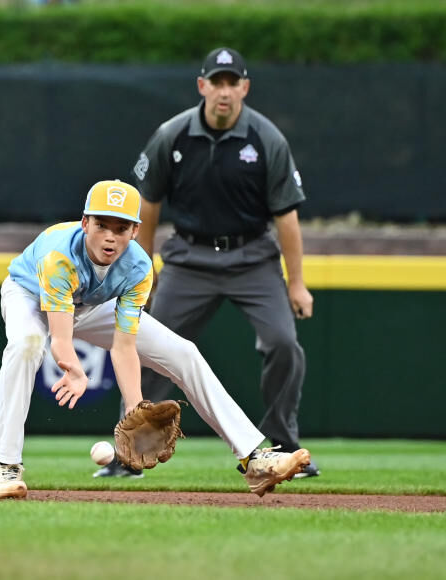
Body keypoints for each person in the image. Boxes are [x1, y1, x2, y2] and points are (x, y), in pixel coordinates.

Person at [0, 179, 311, 499]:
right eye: (102, 225)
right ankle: (6, 465)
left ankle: (252, 458)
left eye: (121, 227)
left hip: (91, 305)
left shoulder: (139, 267)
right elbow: (60, 338)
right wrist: (73, 368)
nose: (110, 237)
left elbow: (124, 345)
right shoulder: (60, 256)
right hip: (29, 297)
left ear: (135, 231)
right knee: (26, 345)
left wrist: (134, 407)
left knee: (184, 352)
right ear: (85, 223)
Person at [94, 47, 318, 479]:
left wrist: (297, 283)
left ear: (244, 88)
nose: (224, 90)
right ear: (202, 86)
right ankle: (131, 453)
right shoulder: (173, 135)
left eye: (232, 82)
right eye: (216, 81)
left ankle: (282, 446)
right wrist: (146, 267)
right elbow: (147, 205)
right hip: (190, 258)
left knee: (283, 344)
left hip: (253, 257)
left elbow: (286, 217)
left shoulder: (266, 139)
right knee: (148, 346)